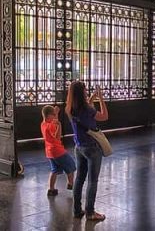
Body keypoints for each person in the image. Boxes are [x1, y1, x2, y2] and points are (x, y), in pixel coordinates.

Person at [65, 81, 108, 222]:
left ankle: (77, 210)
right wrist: (101, 98)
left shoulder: (70, 108)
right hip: (92, 148)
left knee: (79, 179)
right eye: (84, 90)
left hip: (79, 147)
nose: (86, 91)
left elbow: (85, 108)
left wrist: (92, 98)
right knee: (93, 181)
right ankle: (90, 212)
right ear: (81, 92)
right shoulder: (88, 110)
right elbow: (104, 116)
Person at [40, 105, 75, 197]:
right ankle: (71, 184)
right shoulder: (50, 126)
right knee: (71, 166)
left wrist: (56, 114)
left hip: (50, 153)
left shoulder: (43, 124)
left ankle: (51, 189)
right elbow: (57, 136)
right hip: (58, 151)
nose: (54, 116)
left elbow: (52, 122)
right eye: (53, 114)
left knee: (54, 170)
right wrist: (59, 125)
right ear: (48, 115)